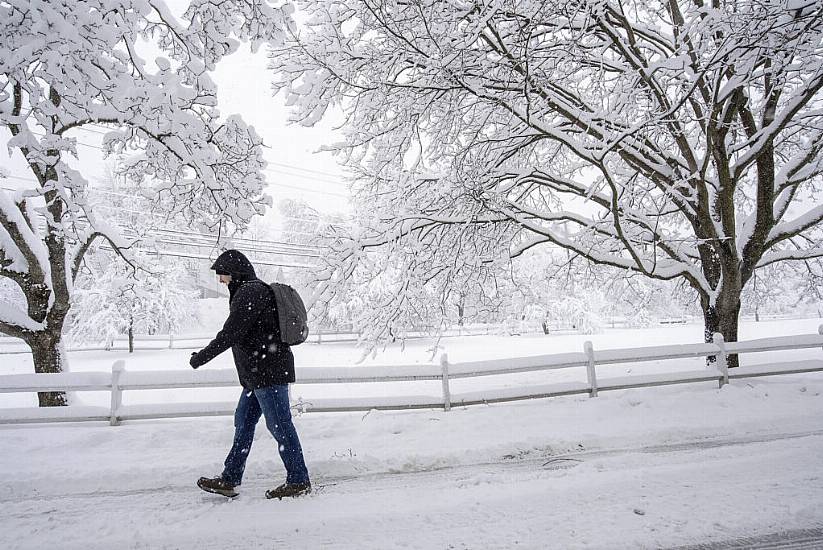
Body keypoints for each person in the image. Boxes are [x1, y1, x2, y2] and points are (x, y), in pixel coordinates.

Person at [190, 249, 311, 499]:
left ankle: (299, 480)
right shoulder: (248, 291)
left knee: (280, 426)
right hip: (257, 375)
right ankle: (230, 478)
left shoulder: (251, 292)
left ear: (233, 272)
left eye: (221, 274)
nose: (220, 280)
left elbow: (230, 333)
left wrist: (201, 357)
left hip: (269, 373)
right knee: (243, 422)